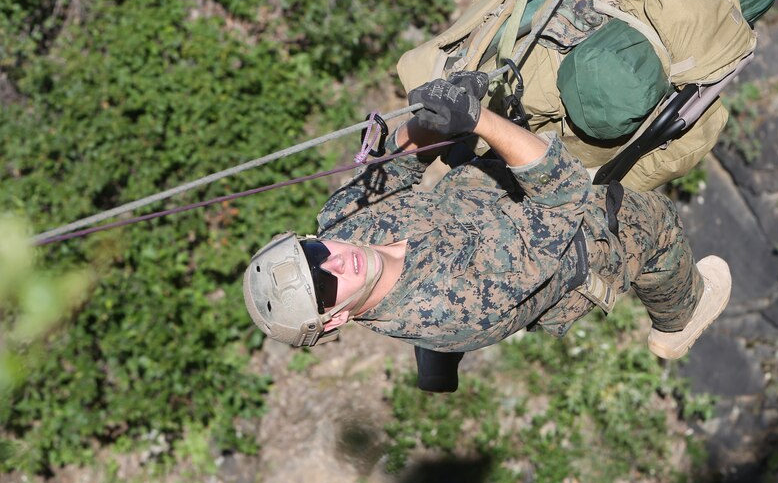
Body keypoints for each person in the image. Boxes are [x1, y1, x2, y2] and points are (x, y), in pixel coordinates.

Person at [243, 73, 732, 374]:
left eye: (312, 254)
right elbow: (562, 195)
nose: (334, 260)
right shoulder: (455, 305)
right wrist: (475, 120)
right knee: (656, 222)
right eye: (326, 287)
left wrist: (436, 118)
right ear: (336, 319)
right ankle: (679, 319)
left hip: (483, 197)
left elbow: (398, 163)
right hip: (574, 247)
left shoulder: (339, 226)